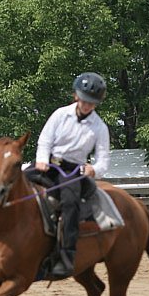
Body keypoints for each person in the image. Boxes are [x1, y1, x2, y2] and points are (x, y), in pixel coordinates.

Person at [33, 72, 111, 279]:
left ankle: (65, 259)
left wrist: (94, 169)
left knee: (70, 204)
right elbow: (45, 140)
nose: (87, 106)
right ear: (76, 96)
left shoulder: (100, 128)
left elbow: (103, 160)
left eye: (92, 103)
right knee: (15, 181)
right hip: (49, 162)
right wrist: (41, 159)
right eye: (84, 100)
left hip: (72, 170)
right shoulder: (60, 114)